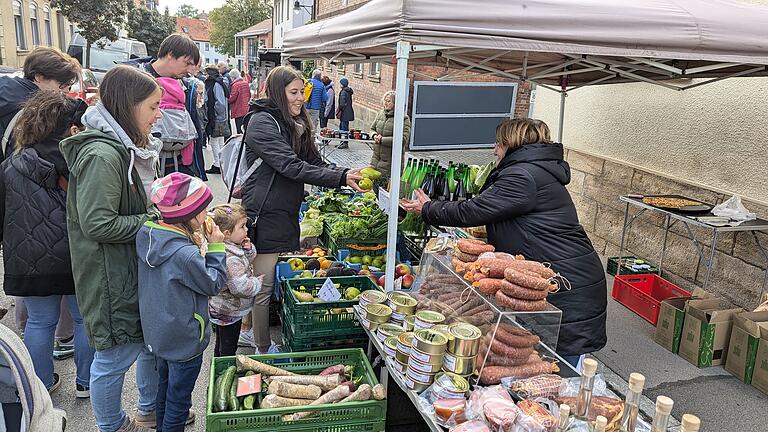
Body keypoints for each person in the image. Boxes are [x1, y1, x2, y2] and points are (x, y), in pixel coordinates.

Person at [400, 118, 607, 366]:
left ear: (511, 144)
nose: (494, 149)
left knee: (553, 367)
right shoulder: (532, 171)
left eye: (498, 144)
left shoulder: (523, 175)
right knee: (537, 360)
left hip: (567, 287)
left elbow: (472, 211)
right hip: (562, 276)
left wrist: (428, 208)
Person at [60, 65, 167, 432]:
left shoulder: (119, 147)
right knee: (113, 357)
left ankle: (148, 410)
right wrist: (153, 220)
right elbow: (98, 224)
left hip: (125, 268)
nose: (158, 115)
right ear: (128, 105)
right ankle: (111, 425)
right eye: (153, 107)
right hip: (109, 274)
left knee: (145, 346)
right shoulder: (103, 156)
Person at [242, 65, 364, 354]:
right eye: (293, 92)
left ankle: (247, 330)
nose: (300, 98)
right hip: (263, 210)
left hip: (282, 208)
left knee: (260, 275)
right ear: (276, 93)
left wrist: (345, 173)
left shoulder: (295, 122)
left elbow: (315, 162)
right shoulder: (262, 123)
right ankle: (261, 345)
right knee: (263, 283)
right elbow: (290, 165)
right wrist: (340, 177)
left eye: (302, 92)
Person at [0, 90, 94, 396]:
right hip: (77, 250)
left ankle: (40, 386)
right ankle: (86, 382)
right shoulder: (79, 157)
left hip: (30, 254)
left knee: (40, 322)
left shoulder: (12, 164)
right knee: (83, 319)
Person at [137, 172, 226, 431]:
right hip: (185, 338)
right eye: (203, 209)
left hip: (159, 333)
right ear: (187, 214)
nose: (206, 214)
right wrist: (217, 247)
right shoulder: (185, 255)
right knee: (179, 403)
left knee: (164, 391)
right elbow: (213, 283)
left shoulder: (149, 235)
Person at [0, 47, 80, 160]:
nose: (67, 90)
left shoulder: (5, 88)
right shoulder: (40, 109)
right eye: (62, 83)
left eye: (69, 85)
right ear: (39, 77)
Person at [207, 204, 263, 357]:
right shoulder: (230, 258)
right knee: (229, 346)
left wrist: (248, 249)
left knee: (221, 341)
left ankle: (217, 363)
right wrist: (256, 284)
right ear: (226, 233)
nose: (246, 229)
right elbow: (240, 287)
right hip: (230, 310)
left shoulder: (230, 247)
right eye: (242, 226)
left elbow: (246, 260)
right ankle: (225, 368)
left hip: (221, 307)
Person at [369, 90, 412, 185]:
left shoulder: (403, 118)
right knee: (373, 188)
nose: (385, 103)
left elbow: (403, 140)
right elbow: (372, 129)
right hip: (375, 159)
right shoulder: (380, 113)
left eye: (388, 101)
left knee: (385, 189)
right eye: (385, 100)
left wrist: (382, 140)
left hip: (391, 163)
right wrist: (374, 135)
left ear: (395, 103)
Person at [204, 65, 231, 175]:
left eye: (206, 73)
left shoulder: (215, 84)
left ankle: (217, 164)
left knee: (215, 140)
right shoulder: (219, 82)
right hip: (219, 117)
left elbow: (219, 103)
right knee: (219, 140)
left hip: (217, 118)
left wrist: (215, 115)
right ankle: (220, 163)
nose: (205, 75)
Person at [228, 69, 251, 134]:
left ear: (233, 77)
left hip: (238, 110)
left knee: (239, 130)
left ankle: (240, 143)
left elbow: (232, 98)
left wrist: (226, 99)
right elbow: (249, 95)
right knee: (245, 129)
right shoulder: (245, 83)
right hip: (246, 109)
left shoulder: (236, 85)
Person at [305, 70, 327, 134]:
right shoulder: (321, 85)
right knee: (314, 124)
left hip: (306, 106)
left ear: (313, 75)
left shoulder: (308, 82)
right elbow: (325, 98)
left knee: (305, 122)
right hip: (316, 108)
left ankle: (304, 137)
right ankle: (312, 139)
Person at [335, 77, 354, 149]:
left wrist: (339, 109)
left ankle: (344, 143)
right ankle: (343, 142)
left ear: (342, 84)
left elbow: (342, 104)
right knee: (344, 127)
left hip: (344, 113)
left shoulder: (343, 92)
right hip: (348, 112)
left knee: (343, 128)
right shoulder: (348, 91)